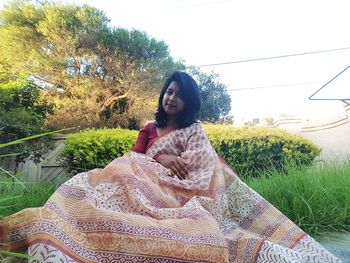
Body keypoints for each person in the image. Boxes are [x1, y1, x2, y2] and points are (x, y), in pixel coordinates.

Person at [0, 72, 340, 262]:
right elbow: (132, 159)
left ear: (188, 102)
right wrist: (159, 158)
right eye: (168, 91)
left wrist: (166, 169)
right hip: (134, 183)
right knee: (80, 192)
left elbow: (202, 169)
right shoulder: (149, 129)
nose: (171, 98)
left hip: (176, 196)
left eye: (179, 94)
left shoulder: (194, 131)